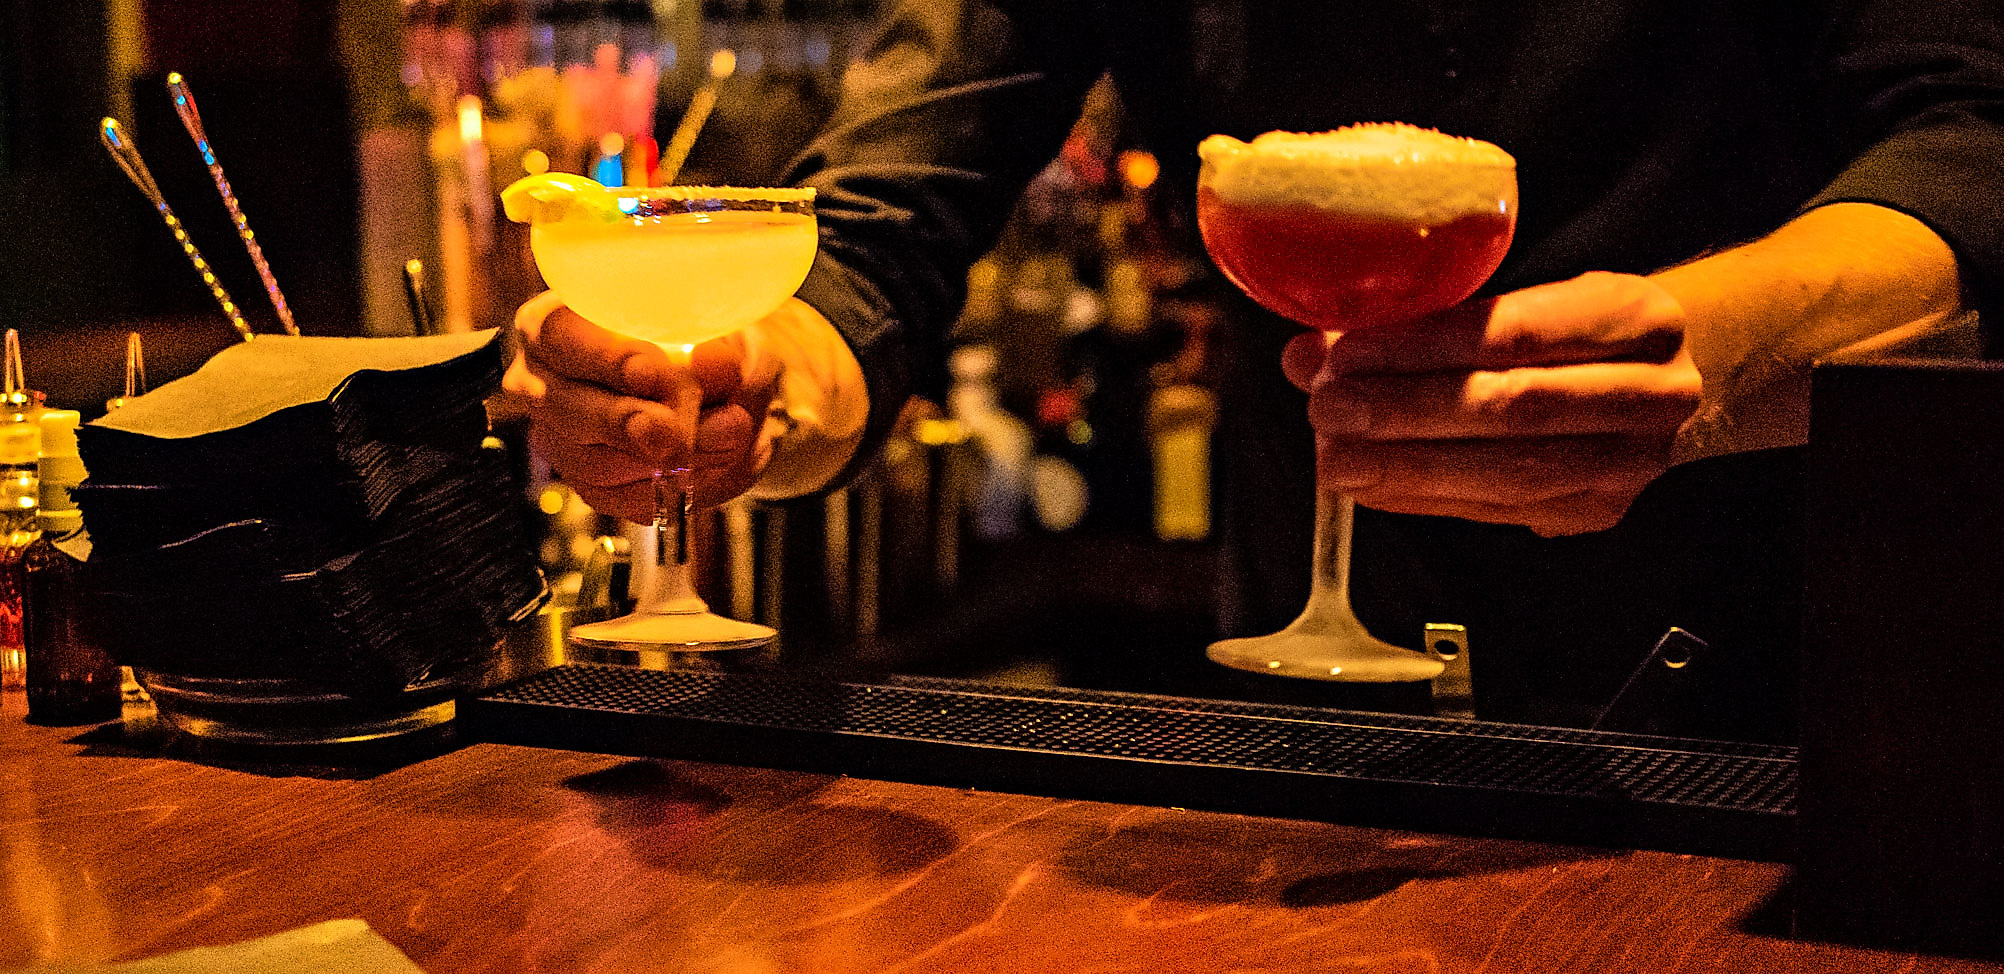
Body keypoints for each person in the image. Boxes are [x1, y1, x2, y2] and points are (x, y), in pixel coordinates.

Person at [503, 0, 2004, 742]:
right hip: (1301, 697)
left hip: (1798, 694)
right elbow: (890, 212)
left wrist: (1710, 349)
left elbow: (1976, 135)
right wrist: (767, 381)